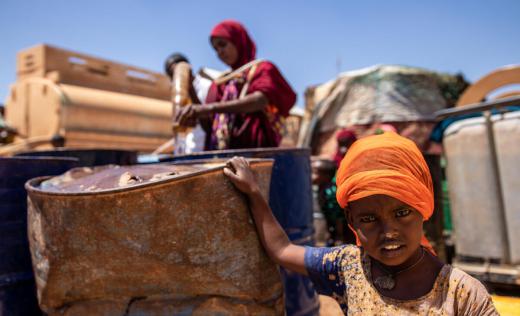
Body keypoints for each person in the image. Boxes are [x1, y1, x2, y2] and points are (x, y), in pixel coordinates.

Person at [223, 132, 498, 315]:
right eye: (369, 219)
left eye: (402, 213)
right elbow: (282, 251)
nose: (388, 231)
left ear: (423, 208)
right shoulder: (347, 266)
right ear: (351, 220)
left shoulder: (463, 295)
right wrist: (254, 193)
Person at [175, 20, 296, 150]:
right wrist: (191, 92)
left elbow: (259, 100)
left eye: (222, 44)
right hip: (223, 157)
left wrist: (207, 109)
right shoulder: (222, 82)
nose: (220, 52)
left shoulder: (262, 69)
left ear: (238, 40)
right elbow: (210, 127)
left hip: (256, 155)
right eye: (216, 49)